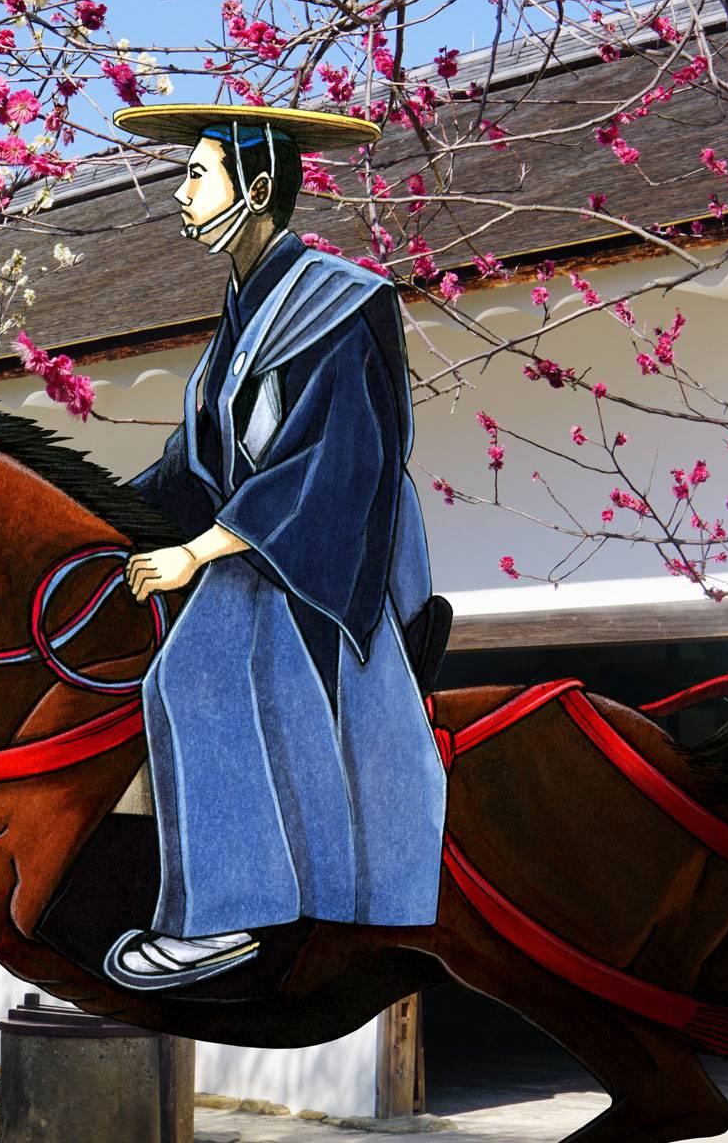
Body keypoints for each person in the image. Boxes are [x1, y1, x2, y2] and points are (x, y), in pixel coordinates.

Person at [101, 104, 450, 992]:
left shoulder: (343, 303)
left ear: (256, 188)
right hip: (253, 547)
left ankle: (225, 917)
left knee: (190, 676)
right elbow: (194, 464)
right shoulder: (237, 320)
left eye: (196, 174)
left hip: (309, 555)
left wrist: (199, 552)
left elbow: (332, 460)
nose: (180, 193)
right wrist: (102, 516)